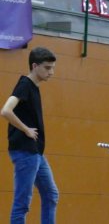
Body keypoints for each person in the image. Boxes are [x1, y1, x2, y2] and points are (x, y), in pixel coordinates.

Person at [1, 47, 59, 224]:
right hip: (25, 152)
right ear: (35, 66)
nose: (51, 72)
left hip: (36, 153)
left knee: (51, 195)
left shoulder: (33, 87)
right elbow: (5, 111)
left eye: (53, 68)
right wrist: (26, 129)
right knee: (22, 203)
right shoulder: (25, 84)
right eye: (47, 68)